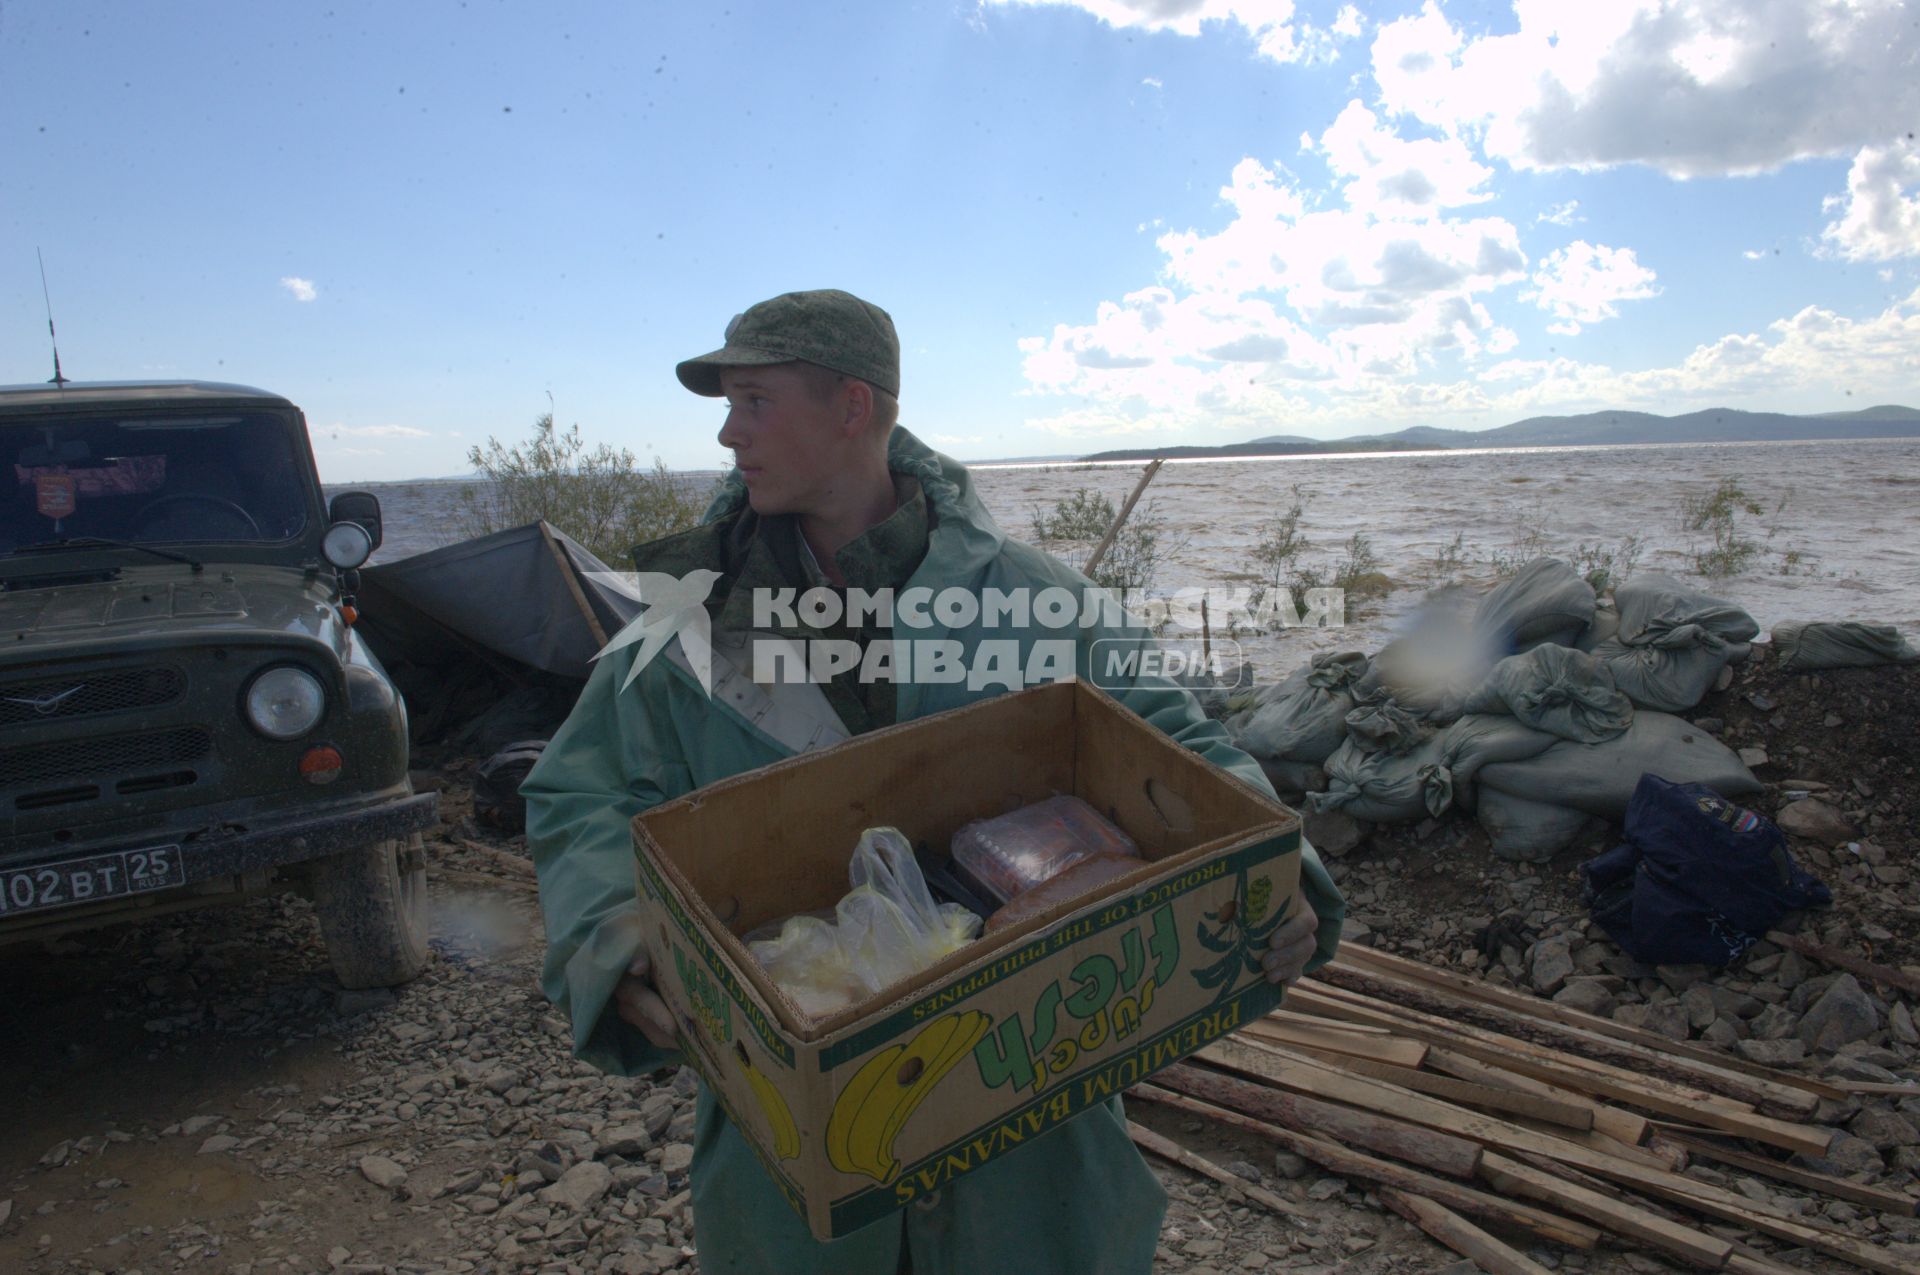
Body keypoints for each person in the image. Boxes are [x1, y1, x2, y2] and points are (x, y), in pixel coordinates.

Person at [522, 289, 1346, 1275]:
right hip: (798, 1132)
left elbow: (1175, 743)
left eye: (754, 401)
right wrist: (620, 933)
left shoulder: (1041, 603)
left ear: (853, 409)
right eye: (728, 406)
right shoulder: (688, 625)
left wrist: (1275, 863)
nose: (728, 433)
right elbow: (582, 794)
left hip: (1034, 1098)